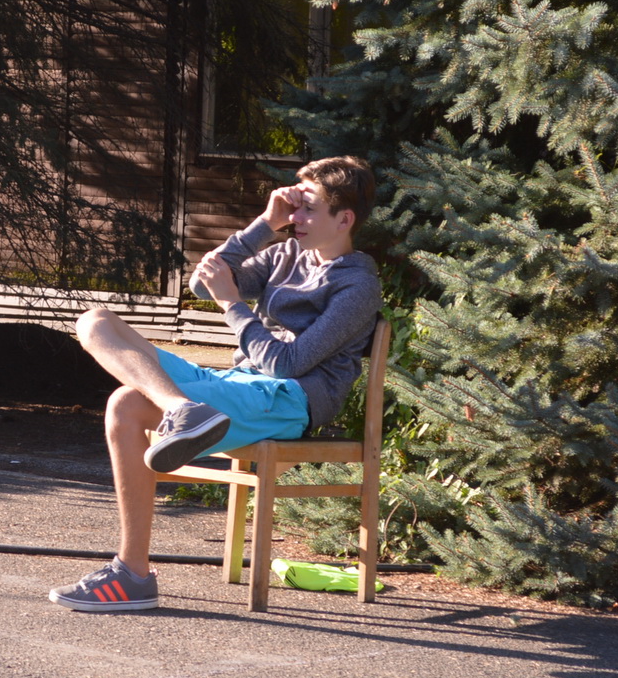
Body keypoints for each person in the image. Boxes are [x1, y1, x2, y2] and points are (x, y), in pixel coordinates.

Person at [49, 156, 383, 612]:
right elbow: (204, 284)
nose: (296, 218)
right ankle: (180, 409)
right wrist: (264, 225)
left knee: (126, 404)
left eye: (308, 209)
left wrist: (233, 305)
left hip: (289, 399)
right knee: (96, 322)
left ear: (344, 219)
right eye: (295, 207)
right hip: (235, 382)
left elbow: (286, 364)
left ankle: (133, 574)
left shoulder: (358, 285)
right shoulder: (285, 253)